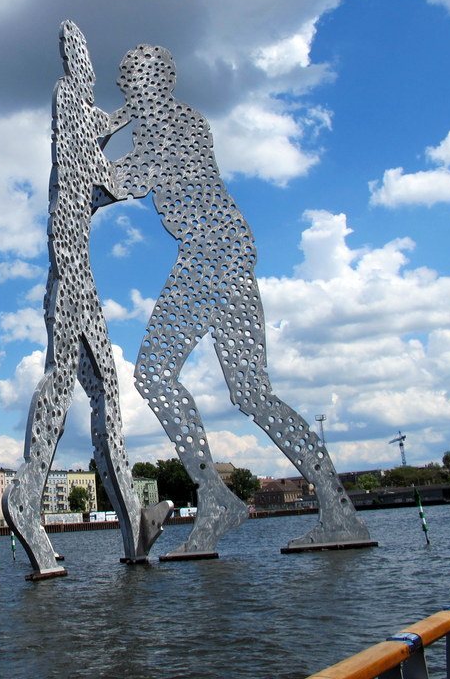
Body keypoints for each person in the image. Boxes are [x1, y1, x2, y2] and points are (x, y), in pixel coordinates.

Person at [106, 44, 371, 554]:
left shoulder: (172, 124)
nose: (124, 88)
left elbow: (126, 180)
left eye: (130, 79)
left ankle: (216, 498)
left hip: (210, 255)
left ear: (155, 81)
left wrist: (89, 140)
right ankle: (339, 512)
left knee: (155, 375)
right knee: (252, 393)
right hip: (227, 251)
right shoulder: (168, 123)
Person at [2, 23, 171, 579]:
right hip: (74, 279)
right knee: (87, 393)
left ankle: (119, 524)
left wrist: (128, 115)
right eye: (87, 65)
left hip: (72, 278)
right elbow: (109, 182)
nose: (93, 74)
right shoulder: (72, 107)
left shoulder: (76, 116)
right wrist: (151, 159)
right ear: (76, 67)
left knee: (88, 393)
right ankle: (33, 500)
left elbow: (103, 132)